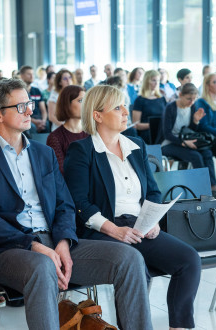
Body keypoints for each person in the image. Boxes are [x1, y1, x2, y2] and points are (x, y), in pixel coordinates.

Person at [0, 78, 153, 330]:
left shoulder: (43, 153)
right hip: (7, 249)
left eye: (29, 103)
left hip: (55, 240)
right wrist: (34, 246)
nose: (30, 110)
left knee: (129, 258)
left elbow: (65, 205)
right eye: (20, 107)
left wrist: (63, 242)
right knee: (42, 267)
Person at [64, 85, 201, 330]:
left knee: (189, 259)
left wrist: (153, 220)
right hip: (102, 229)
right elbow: (79, 202)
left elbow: (152, 192)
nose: (126, 112)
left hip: (139, 226)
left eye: (125, 105)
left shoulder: (136, 145)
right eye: (118, 107)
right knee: (135, 264)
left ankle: (178, 327)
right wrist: (112, 229)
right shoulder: (82, 150)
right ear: (97, 115)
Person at [161, 83, 216, 189]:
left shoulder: (192, 107)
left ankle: (213, 186)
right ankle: (202, 189)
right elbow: (167, 134)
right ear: (180, 94)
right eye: (188, 99)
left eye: (194, 99)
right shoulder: (170, 108)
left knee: (207, 153)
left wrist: (195, 121)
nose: (191, 102)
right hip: (170, 143)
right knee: (195, 156)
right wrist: (183, 142)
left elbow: (190, 131)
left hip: (186, 141)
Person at [46, 85, 88, 174]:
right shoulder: (55, 137)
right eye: (81, 100)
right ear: (67, 104)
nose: (86, 104)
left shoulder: (92, 133)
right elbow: (60, 172)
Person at [132, 70, 167, 144]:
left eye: (158, 80)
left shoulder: (162, 98)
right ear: (147, 81)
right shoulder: (140, 100)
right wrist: (154, 125)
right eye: (153, 80)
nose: (156, 83)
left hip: (162, 133)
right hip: (147, 134)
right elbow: (136, 125)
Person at [195, 72, 216, 137]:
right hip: (215, 140)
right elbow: (204, 127)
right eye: (215, 82)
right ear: (207, 86)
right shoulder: (201, 102)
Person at [19, 65, 48, 133]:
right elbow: (20, 113)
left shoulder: (37, 91)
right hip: (27, 119)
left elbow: (43, 110)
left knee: (46, 124)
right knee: (31, 126)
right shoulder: (19, 92)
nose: (32, 76)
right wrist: (35, 122)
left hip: (40, 119)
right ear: (22, 76)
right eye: (29, 74)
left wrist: (43, 121)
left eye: (33, 74)